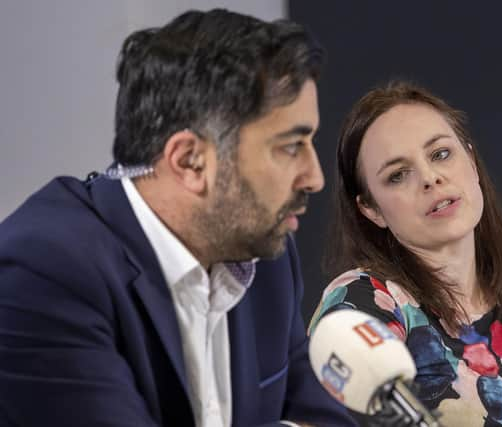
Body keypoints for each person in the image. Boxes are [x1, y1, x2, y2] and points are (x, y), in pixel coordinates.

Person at [0, 8, 356, 427]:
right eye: (290, 146)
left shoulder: (267, 258)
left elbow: (329, 418)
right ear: (190, 162)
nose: (315, 177)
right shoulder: (44, 271)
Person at [309, 81, 502, 426]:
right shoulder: (362, 300)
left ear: (471, 161)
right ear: (371, 209)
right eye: (397, 175)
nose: (429, 178)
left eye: (440, 154)